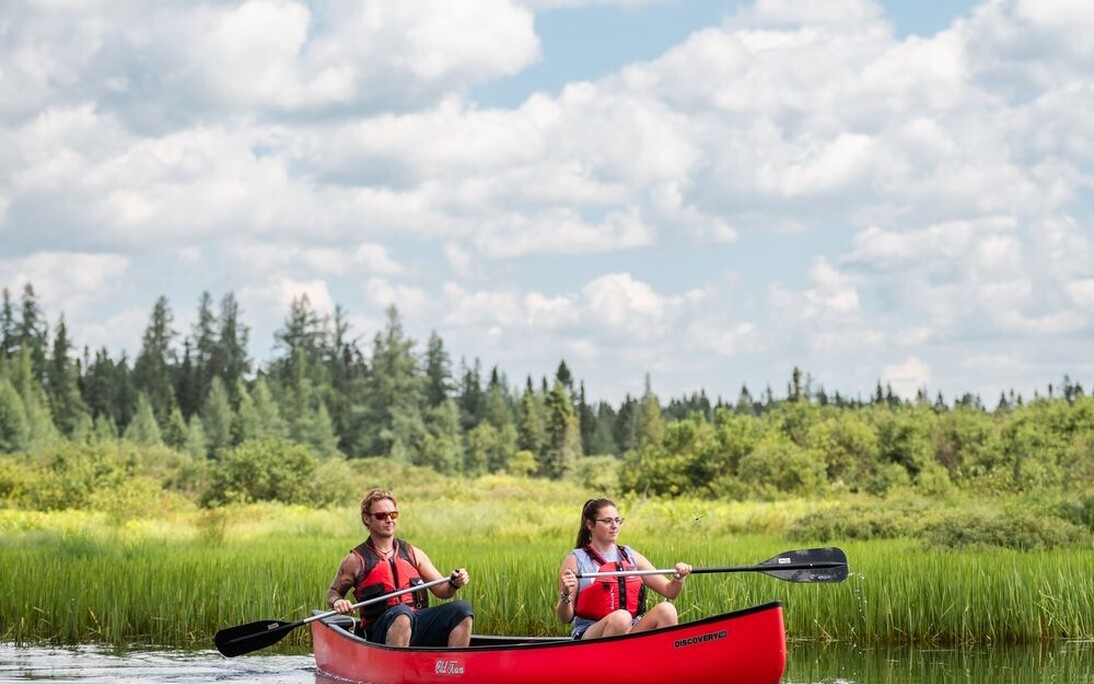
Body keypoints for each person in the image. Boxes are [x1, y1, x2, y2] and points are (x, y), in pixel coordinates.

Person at [327, 488, 474, 647]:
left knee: (462, 609)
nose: (389, 520)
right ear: (367, 518)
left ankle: (454, 662)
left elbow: (443, 590)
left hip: (416, 623)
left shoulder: (413, 554)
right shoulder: (355, 560)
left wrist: (455, 583)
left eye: (393, 514)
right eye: (382, 515)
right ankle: (396, 662)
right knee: (402, 614)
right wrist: (338, 602)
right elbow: (333, 593)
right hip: (380, 631)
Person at [556, 498, 692, 640]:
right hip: (589, 633)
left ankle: (660, 654)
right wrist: (566, 593)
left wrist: (679, 578)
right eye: (607, 521)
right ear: (590, 524)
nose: (614, 526)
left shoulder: (629, 555)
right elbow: (564, 617)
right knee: (622, 617)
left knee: (667, 610)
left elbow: (669, 591)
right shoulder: (576, 559)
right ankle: (610, 654)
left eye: (617, 520)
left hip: (630, 628)